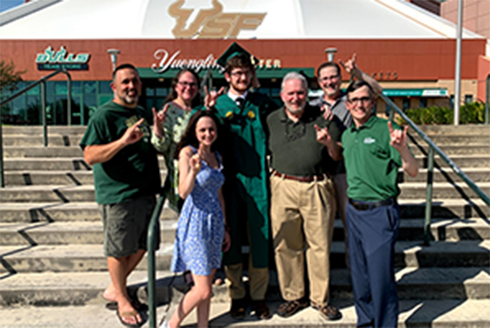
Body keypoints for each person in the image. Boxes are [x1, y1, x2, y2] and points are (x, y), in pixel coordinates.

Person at [80, 63, 162, 328]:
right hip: (119, 195)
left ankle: (116, 287)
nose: (131, 86)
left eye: (135, 81)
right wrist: (122, 142)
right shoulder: (104, 115)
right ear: (114, 87)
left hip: (146, 192)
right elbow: (90, 156)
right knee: (118, 249)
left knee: (145, 244)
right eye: (125, 82)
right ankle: (122, 299)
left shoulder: (139, 112)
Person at [203, 42, 278, 320]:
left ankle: (258, 296)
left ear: (251, 74)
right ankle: (236, 296)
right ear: (227, 76)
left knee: (260, 238)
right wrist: (208, 110)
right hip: (228, 183)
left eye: (246, 73)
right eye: (236, 74)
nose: (242, 78)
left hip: (258, 181)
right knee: (230, 240)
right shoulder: (217, 105)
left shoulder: (263, 103)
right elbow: (201, 135)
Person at [340, 80, 418, 328]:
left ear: (373, 102)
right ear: (347, 104)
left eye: (365, 99)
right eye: (355, 100)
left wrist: (403, 149)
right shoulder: (347, 134)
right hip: (353, 211)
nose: (360, 104)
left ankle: (385, 325)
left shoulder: (387, 129)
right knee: (360, 278)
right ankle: (365, 322)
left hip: (379, 212)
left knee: (380, 278)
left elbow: (413, 170)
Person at [267, 72, 342, 321]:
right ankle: (293, 296)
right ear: (282, 95)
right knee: (286, 246)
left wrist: (329, 143)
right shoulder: (271, 120)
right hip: (282, 185)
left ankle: (320, 299)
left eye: (300, 93)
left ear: (307, 94)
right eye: (291, 93)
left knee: (319, 245)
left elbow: (336, 156)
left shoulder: (323, 118)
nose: (296, 97)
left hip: (316, 186)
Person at [310, 54, 383, 268]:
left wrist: (357, 72)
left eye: (333, 77)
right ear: (319, 82)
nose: (329, 82)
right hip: (321, 172)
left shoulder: (352, 100)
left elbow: (376, 90)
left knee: (351, 226)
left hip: (346, 172)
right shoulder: (313, 105)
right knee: (320, 230)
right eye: (324, 79)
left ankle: (355, 272)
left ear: (340, 78)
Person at [161, 111, 230, 328]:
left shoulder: (217, 156)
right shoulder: (187, 152)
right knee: (203, 289)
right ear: (194, 131)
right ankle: (171, 325)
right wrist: (193, 170)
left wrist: (225, 227)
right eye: (202, 130)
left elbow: (219, 194)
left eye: (211, 129)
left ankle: (203, 325)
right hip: (195, 222)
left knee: (206, 284)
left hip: (215, 222)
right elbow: (182, 192)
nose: (207, 134)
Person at [152, 68, 202, 213]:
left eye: (193, 84)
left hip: (202, 175)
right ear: (176, 86)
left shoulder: (199, 110)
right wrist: (158, 127)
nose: (188, 88)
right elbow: (161, 147)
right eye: (184, 83)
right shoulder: (168, 110)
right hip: (181, 176)